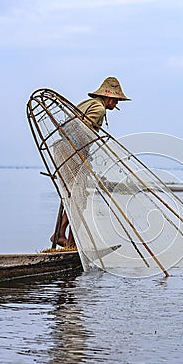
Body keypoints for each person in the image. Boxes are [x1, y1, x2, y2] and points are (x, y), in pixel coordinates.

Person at [51, 77, 131, 248]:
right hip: (73, 152)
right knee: (79, 197)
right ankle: (67, 241)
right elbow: (82, 130)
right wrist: (83, 157)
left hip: (65, 150)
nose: (116, 104)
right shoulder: (99, 108)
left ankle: (63, 236)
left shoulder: (88, 103)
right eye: (116, 100)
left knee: (73, 196)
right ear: (109, 98)